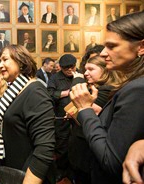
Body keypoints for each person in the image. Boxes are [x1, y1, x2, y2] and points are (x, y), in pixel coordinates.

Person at [69, 11, 144, 183]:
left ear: (141, 47)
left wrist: (85, 109)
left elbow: (111, 161)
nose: (102, 53)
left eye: (112, 46)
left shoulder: (137, 90)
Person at [0, 44, 55, 183]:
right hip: (13, 169)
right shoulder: (15, 89)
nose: (0, 65)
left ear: (20, 61)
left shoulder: (35, 92)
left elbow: (44, 148)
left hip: (28, 174)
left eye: (5, 59)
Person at [68, 56, 124, 183]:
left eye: (91, 69)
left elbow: (86, 111)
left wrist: (77, 80)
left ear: (105, 71)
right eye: (85, 69)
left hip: (90, 151)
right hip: (81, 149)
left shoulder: (106, 90)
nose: (85, 73)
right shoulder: (94, 88)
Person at [47, 54, 77, 182]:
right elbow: (49, 94)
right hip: (61, 117)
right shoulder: (55, 78)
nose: (70, 70)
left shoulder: (80, 75)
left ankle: (72, 171)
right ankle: (61, 170)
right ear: (61, 68)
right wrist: (67, 93)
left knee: (75, 144)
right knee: (62, 145)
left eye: (72, 68)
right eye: (66, 69)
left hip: (78, 117)